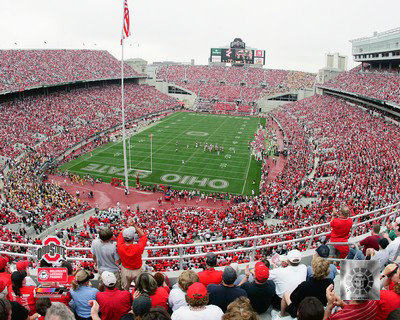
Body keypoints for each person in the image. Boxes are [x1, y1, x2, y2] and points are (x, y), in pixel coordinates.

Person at [117, 218, 147, 291]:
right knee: (139, 290)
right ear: (133, 238)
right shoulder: (138, 247)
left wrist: (128, 226)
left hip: (125, 270)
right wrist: (134, 226)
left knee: (124, 290)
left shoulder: (120, 246)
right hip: (137, 270)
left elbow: (121, 233)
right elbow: (143, 236)